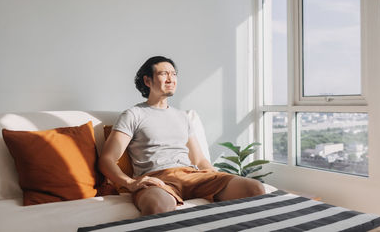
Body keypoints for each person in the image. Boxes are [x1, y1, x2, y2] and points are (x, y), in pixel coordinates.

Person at [99, 56, 265, 216]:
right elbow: (107, 159)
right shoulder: (134, 114)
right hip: (158, 179)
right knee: (157, 205)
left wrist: (217, 176)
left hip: (192, 176)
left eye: (173, 74)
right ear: (147, 81)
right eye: (163, 74)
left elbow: (199, 160)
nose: (171, 78)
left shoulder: (183, 116)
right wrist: (131, 183)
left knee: (255, 188)